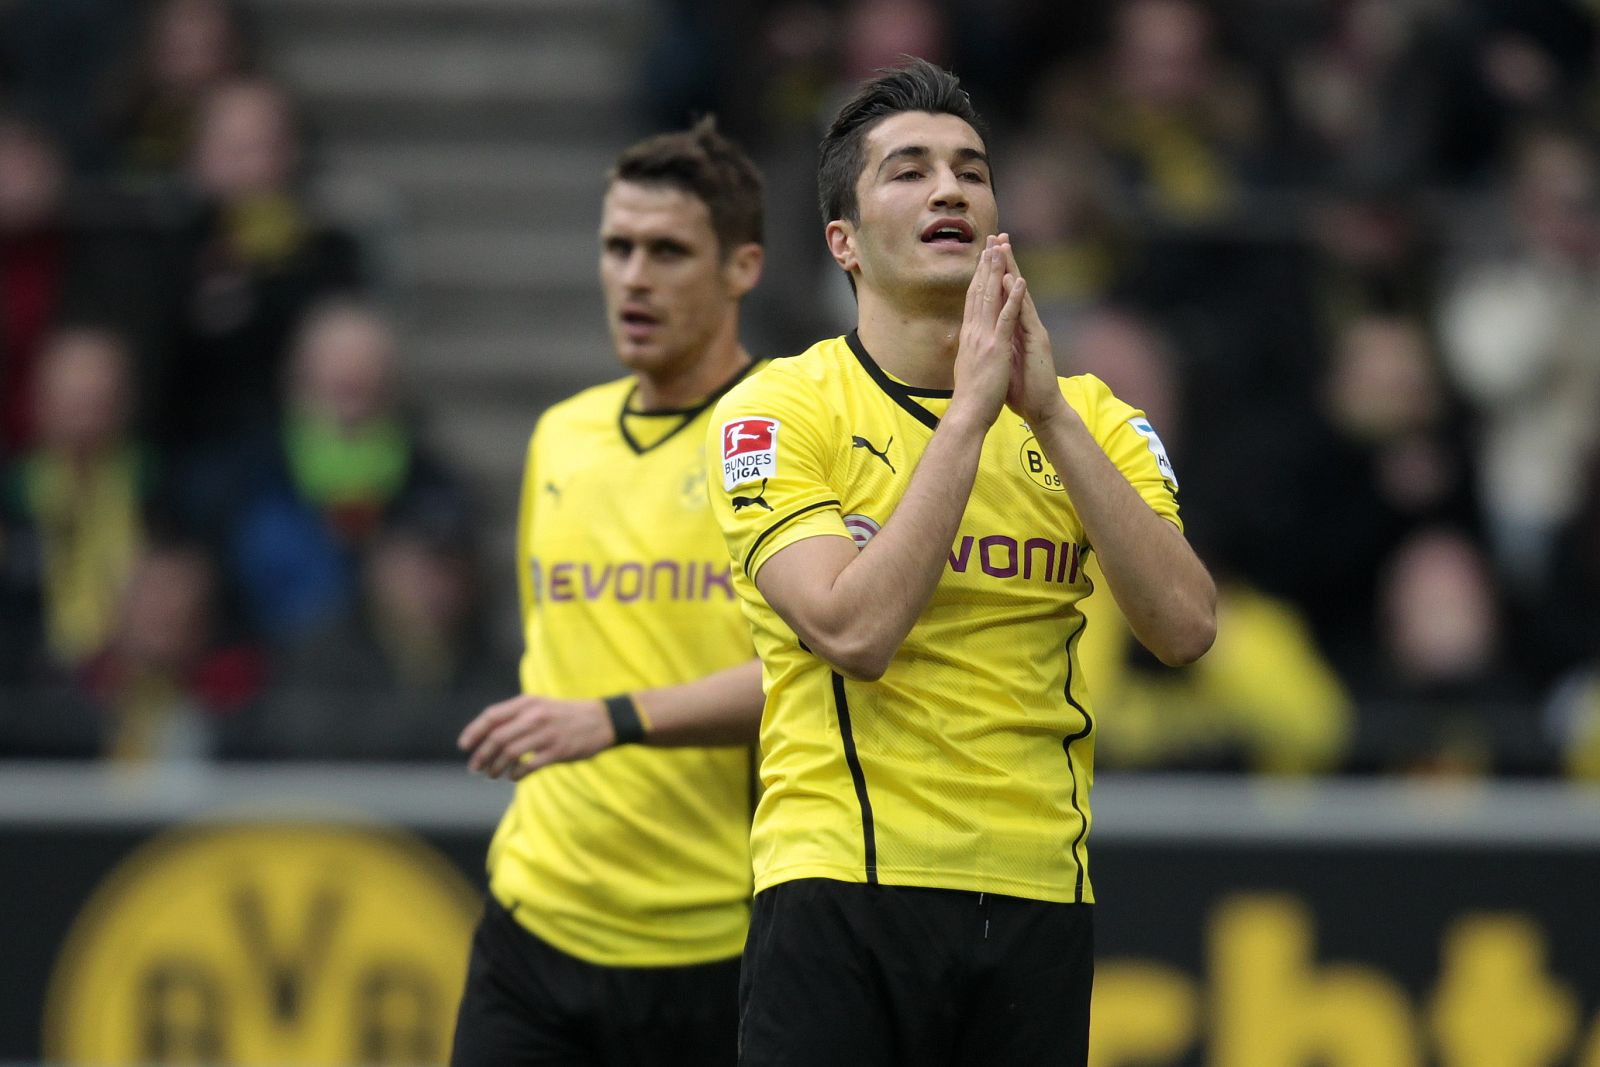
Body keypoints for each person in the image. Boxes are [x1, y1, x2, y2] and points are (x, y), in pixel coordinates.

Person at [707, 59, 1216, 1066]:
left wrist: (1049, 414)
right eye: (907, 171)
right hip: (843, 889)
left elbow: (1184, 627)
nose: (948, 187)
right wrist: (971, 412)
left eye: (969, 170)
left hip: (1038, 894)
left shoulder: (1095, 420)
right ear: (842, 244)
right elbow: (852, 631)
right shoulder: (778, 410)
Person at [450, 119, 769, 1067]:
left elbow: (820, 673)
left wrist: (614, 718)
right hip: (536, 919)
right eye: (617, 247)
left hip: (717, 939)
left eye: (668, 251)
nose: (633, 276)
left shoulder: (782, 441)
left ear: (742, 268)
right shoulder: (561, 438)